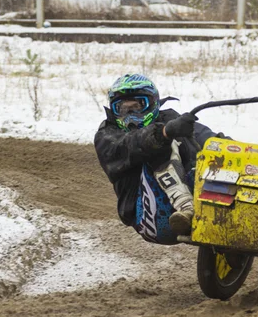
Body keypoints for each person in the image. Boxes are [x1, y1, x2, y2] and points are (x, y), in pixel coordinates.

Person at [94, 73, 219, 243]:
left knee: (213, 147)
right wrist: (164, 133)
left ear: (152, 103)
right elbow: (131, 144)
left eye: (137, 106)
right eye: (123, 109)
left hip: (189, 189)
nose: (130, 114)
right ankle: (187, 207)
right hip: (151, 217)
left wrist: (229, 148)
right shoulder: (107, 135)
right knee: (159, 145)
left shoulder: (170, 118)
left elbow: (207, 138)